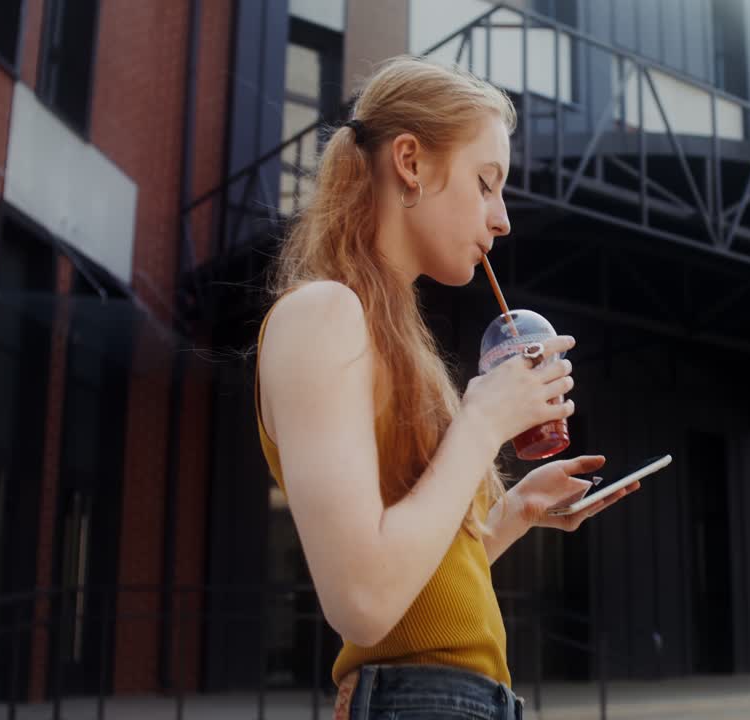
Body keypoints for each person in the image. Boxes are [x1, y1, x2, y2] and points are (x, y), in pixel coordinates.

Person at [254, 56, 640, 720]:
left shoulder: (388, 335)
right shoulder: (323, 314)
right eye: (487, 184)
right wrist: (482, 424)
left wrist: (512, 516)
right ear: (411, 162)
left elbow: (411, 589)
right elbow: (364, 602)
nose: (503, 220)